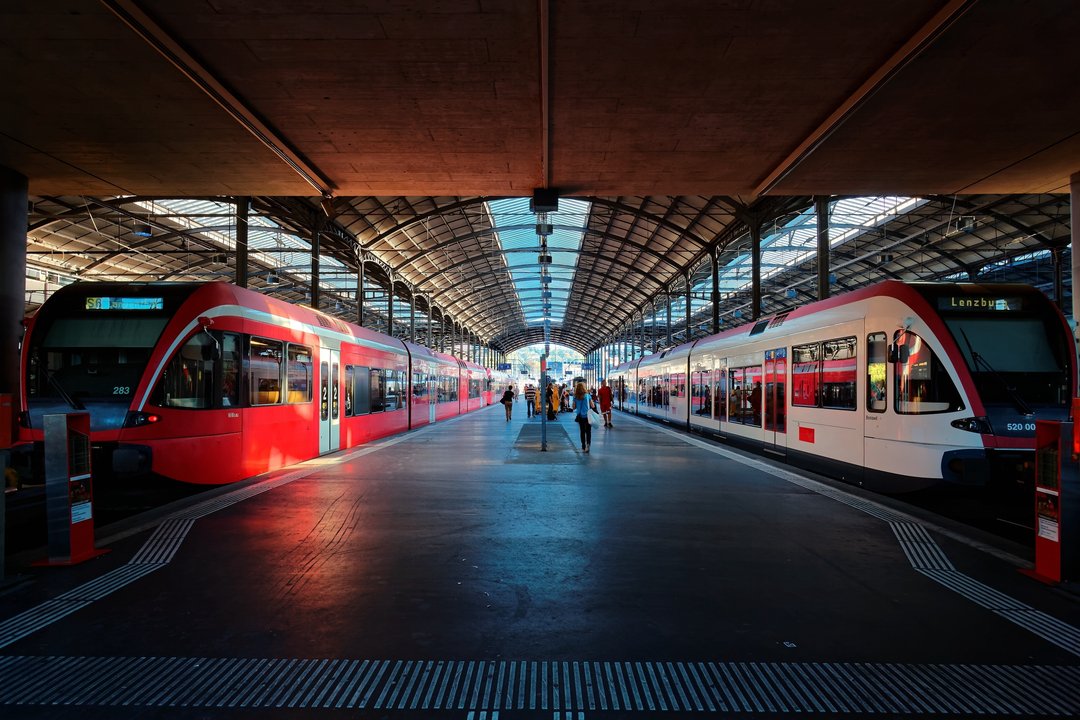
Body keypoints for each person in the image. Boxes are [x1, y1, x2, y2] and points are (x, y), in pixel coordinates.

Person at [572, 381, 597, 453]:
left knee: (582, 431)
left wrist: (577, 404)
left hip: (580, 417)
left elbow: (573, 407)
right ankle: (588, 445)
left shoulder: (575, 397)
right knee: (588, 431)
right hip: (588, 416)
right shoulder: (587, 396)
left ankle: (583, 446)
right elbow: (593, 406)